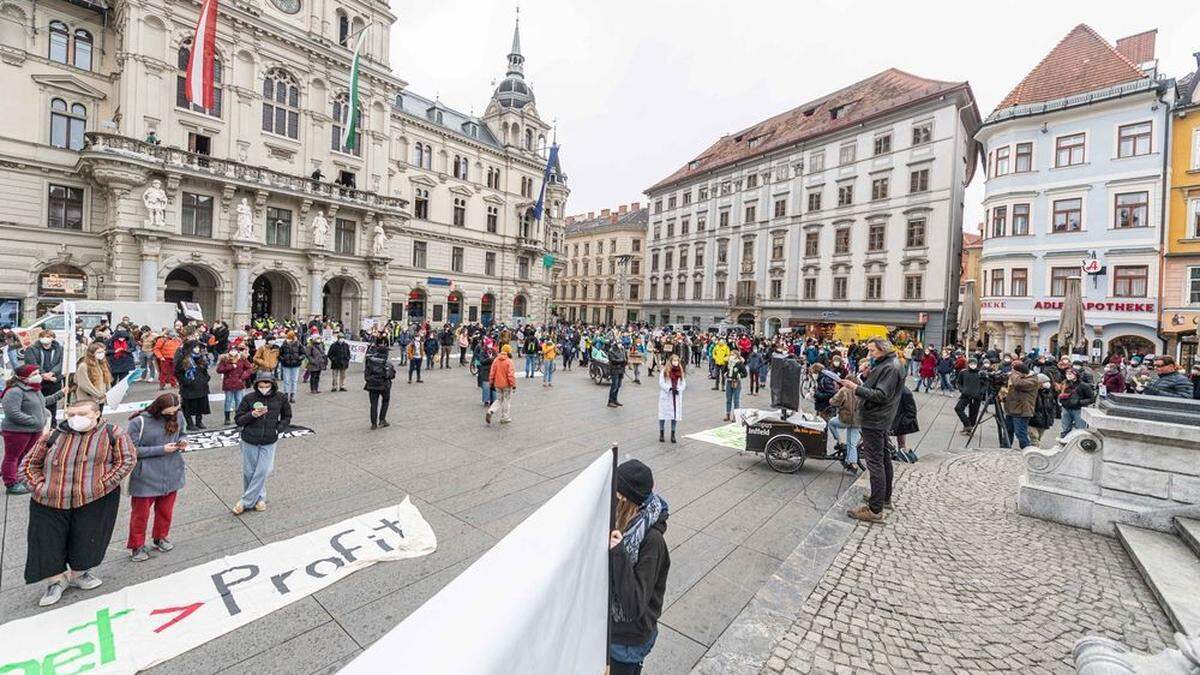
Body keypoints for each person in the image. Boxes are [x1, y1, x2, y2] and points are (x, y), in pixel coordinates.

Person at [20, 399, 136, 606]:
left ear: (96, 415)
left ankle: (79, 573)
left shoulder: (113, 433)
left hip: (93, 498)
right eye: (71, 414)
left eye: (82, 414)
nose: (76, 419)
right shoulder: (54, 435)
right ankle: (55, 581)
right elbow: (29, 463)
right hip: (49, 500)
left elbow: (126, 460)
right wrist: (39, 486)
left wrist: (102, 484)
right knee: (47, 543)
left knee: (88, 538)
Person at [609, 459, 670, 675]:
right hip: (611, 631)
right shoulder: (621, 521)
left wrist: (618, 554)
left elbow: (634, 604)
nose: (611, 501)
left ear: (626, 500)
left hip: (628, 641)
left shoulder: (652, 542)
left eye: (615, 496)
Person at [839, 339, 904, 523]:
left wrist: (856, 388)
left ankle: (875, 509)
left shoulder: (890, 367)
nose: (870, 354)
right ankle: (882, 498)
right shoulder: (889, 363)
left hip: (875, 419)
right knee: (883, 458)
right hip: (880, 418)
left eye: (872, 351)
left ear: (883, 350)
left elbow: (881, 395)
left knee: (875, 462)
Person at [126, 393, 186, 561]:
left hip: (172, 471)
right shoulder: (139, 422)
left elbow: (182, 433)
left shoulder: (178, 415)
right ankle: (137, 546)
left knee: (166, 511)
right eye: (168, 412)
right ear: (159, 409)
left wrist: (183, 442)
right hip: (146, 475)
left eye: (175, 411)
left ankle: (160, 537)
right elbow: (131, 450)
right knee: (140, 515)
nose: (172, 414)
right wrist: (161, 449)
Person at [232, 372, 292, 514]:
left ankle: (245, 502)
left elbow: (287, 416)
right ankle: (259, 499)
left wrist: (278, 428)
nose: (264, 387)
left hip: (269, 440)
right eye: (261, 385)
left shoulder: (281, 398)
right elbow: (238, 419)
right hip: (250, 439)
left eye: (267, 385)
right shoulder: (248, 398)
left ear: (272, 384)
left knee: (264, 470)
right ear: (256, 385)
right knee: (249, 472)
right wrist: (252, 415)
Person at [3, 365, 66, 494]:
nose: (39, 376)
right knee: (12, 457)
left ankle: (17, 477)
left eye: (38, 373)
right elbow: (12, 412)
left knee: (24, 456)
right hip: (17, 431)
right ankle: (10, 483)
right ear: (23, 377)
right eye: (34, 374)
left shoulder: (35, 389)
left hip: (34, 430)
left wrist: (60, 394)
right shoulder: (14, 391)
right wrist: (34, 421)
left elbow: (43, 403)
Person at [24, 330, 65, 423]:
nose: (45, 339)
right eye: (43, 336)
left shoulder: (59, 348)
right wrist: (44, 374)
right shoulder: (32, 348)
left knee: (53, 402)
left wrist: (52, 373)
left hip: (54, 380)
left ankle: (52, 423)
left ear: (53, 338)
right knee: (37, 402)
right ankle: (38, 422)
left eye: (48, 337)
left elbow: (61, 363)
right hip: (38, 379)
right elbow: (32, 363)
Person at [827, 368, 862, 474]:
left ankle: (839, 441)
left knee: (831, 423)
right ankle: (853, 463)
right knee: (852, 443)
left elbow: (835, 402)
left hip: (845, 419)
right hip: (857, 420)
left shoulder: (844, 390)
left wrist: (830, 401)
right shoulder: (860, 390)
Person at [175, 340, 212, 430]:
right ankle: (190, 424)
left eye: (198, 347)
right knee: (188, 406)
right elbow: (178, 373)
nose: (197, 349)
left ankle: (199, 422)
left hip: (201, 386)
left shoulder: (201, 358)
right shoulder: (184, 359)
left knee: (200, 405)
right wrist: (186, 382)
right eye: (195, 347)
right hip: (189, 388)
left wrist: (206, 378)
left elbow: (204, 370)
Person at [1003, 362, 1039, 450]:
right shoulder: (1019, 378)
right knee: (1007, 432)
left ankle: (1026, 450)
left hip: (1022, 411)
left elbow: (1018, 384)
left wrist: (1013, 374)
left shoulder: (1033, 380)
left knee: (1020, 433)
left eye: (1015, 371)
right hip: (1011, 409)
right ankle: (1004, 449)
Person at [216, 344, 253, 425]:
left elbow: (249, 368)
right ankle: (227, 418)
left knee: (239, 401)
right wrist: (231, 366)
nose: (233, 352)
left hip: (239, 383)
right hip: (228, 384)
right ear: (228, 351)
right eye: (231, 350)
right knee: (228, 401)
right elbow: (219, 370)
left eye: (235, 350)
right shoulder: (225, 359)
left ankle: (238, 417)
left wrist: (243, 377)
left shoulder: (242, 358)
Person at [363, 342, 396, 429]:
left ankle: (373, 424)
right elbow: (392, 375)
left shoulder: (370, 361)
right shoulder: (387, 363)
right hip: (384, 386)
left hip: (372, 385)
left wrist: (370, 380)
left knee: (373, 404)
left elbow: (366, 375)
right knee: (385, 402)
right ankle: (382, 420)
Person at [1058, 367, 1095, 436]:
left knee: (1080, 429)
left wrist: (1079, 402)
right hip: (1066, 408)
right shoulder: (1065, 383)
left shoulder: (1083, 385)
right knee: (1065, 429)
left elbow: (1091, 399)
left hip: (1078, 410)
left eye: (1070, 374)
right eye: (1067, 374)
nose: (1068, 375)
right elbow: (1061, 393)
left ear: (1076, 375)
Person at [954, 358, 987, 435]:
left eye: (974, 364)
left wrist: (980, 392)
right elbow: (959, 382)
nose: (973, 365)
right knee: (958, 408)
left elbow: (985, 384)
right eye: (971, 364)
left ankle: (969, 429)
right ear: (968, 364)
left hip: (976, 396)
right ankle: (967, 424)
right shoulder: (963, 372)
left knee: (973, 413)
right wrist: (962, 390)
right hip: (965, 395)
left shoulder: (980, 373)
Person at [486, 344, 517, 425]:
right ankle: (505, 417)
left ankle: (491, 410)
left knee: (499, 400)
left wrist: (491, 383)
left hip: (497, 384)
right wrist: (513, 385)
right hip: (506, 385)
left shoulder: (496, 360)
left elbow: (492, 373)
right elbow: (510, 375)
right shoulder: (509, 361)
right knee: (506, 400)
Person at [657, 356, 686, 443]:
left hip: (676, 395)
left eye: (677, 360)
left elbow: (683, 383)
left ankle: (673, 434)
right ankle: (661, 433)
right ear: (670, 361)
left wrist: (679, 389)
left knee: (674, 415)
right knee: (663, 415)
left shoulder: (680, 371)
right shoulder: (665, 371)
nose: (675, 362)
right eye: (674, 360)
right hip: (667, 395)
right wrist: (669, 388)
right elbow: (661, 383)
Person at [890, 385, 919, 462]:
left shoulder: (905, 392)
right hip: (894, 420)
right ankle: (900, 456)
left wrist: (902, 422)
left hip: (900, 423)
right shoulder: (895, 388)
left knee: (901, 444)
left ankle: (902, 458)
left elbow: (912, 411)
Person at [1029, 374, 1058, 444]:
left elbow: (1053, 404)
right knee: (1034, 437)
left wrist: (1052, 415)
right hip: (1033, 419)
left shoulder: (1048, 393)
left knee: (1039, 437)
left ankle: (1036, 449)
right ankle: (1034, 449)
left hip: (1045, 419)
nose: (1047, 384)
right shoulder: (1032, 392)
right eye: (1045, 382)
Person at [277, 332, 304, 402]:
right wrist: (283, 359)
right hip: (286, 364)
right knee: (286, 380)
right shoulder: (283, 344)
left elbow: (303, 353)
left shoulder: (298, 344)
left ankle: (292, 395)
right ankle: (286, 394)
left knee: (294, 381)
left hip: (296, 364)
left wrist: (299, 358)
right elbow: (279, 354)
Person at [724, 351, 748, 421]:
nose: (731, 356)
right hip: (729, 381)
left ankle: (735, 416)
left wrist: (739, 375)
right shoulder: (729, 362)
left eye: (733, 354)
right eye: (731, 354)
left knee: (736, 400)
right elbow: (725, 370)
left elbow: (745, 373)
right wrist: (725, 373)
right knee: (728, 399)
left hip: (736, 382)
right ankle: (727, 415)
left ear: (736, 355)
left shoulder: (739, 363)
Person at [607, 339, 628, 408]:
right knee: (614, 386)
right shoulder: (611, 351)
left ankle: (615, 399)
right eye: (619, 343)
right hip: (614, 370)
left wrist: (625, 360)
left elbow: (625, 358)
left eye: (621, 343)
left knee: (618, 385)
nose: (620, 344)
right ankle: (610, 401)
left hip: (621, 370)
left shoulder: (622, 350)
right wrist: (622, 361)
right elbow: (613, 360)